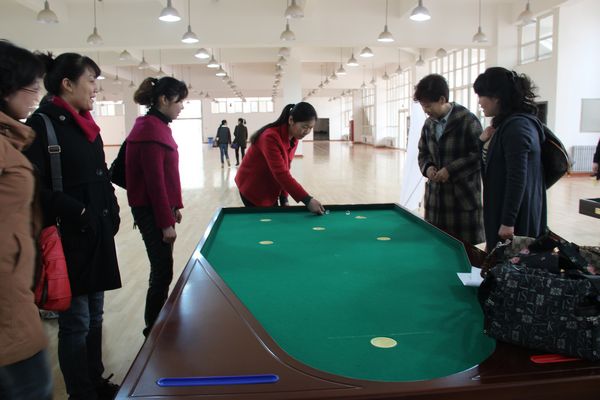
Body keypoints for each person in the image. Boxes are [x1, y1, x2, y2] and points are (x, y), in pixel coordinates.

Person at [25, 52, 121, 400]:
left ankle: (96, 380)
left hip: (96, 232)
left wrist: (112, 207)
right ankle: (81, 393)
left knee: (96, 315)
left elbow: (100, 173)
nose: (96, 88)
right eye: (91, 81)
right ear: (67, 84)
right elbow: (32, 186)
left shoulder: (86, 125)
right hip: (69, 237)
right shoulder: (42, 125)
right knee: (76, 321)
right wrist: (76, 210)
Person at [0, 40, 53, 400]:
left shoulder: (11, 139)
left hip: (15, 292)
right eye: (31, 87)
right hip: (7, 307)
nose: (36, 95)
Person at [125, 77, 187, 337]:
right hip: (151, 212)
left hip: (159, 210)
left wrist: (174, 207)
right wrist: (165, 223)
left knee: (163, 268)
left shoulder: (157, 125)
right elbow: (154, 183)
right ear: (164, 100)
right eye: (179, 101)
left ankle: (157, 323)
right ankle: (153, 329)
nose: (182, 106)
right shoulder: (150, 131)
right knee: (161, 271)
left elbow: (166, 175)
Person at [473, 67, 547, 251]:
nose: (479, 102)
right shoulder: (506, 125)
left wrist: (508, 221)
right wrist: (481, 142)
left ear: (496, 97)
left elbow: (517, 177)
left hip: (516, 217)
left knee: (512, 262)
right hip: (501, 207)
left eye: (481, 95)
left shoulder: (517, 127)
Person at [415, 74, 484, 245]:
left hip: (462, 201)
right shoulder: (428, 124)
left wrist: (450, 170)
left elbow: (478, 156)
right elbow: (423, 152)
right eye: (423, 106)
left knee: (465, 249)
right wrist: (428, 168)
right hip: (435, 202)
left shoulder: (467, 120)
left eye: (428, 105)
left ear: (442, 99)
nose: (425, 110)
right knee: (436, 246)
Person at [235, 102, 325, 214]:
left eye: (310, 128)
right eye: (304, 127)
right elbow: (281, 173)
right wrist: (307, 200)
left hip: (269, 186)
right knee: (266, 220)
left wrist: (284, 198)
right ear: (291, 120)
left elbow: (285, 168)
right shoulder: (270, 137)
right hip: (252, 188)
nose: (307, 131)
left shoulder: (294, 139)